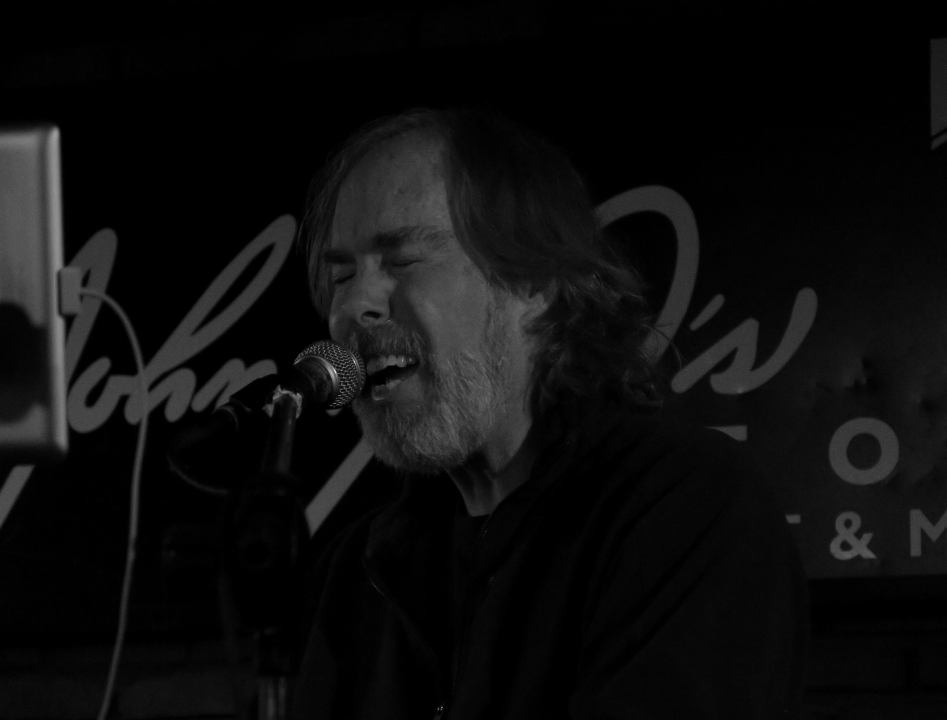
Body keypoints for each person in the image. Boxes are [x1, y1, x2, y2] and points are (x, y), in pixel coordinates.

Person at [291, 108, 808, 719]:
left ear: (532, 281)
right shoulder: (361, 569)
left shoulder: (687, 507)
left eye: (401, 261)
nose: (354, 306)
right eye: (342, 275)